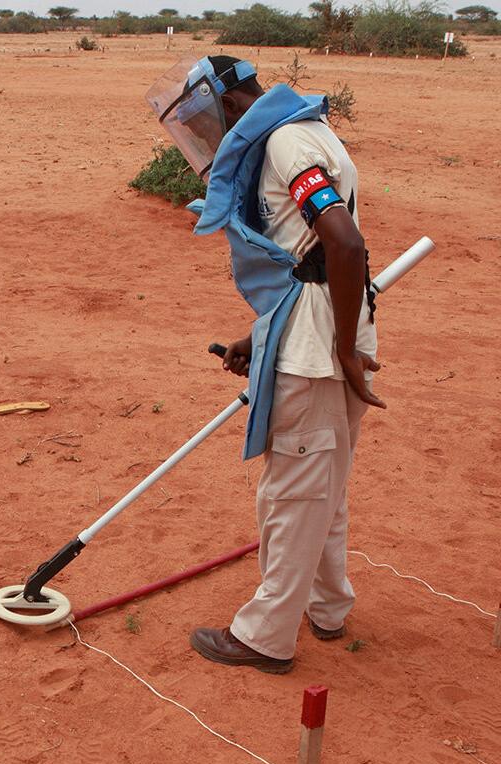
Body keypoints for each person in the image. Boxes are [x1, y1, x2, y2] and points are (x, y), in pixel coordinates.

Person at [146, 56, 381, 674]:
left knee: (294, 492)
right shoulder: (305, 127)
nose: (208, 139)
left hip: (319, 351)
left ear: (228, 103)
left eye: (204, 124)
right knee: (324, 485)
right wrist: (262, 337)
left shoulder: (283, 143)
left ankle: (265, 637)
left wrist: (340, 348)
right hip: (321, 329)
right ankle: (327, 607)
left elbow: (344, 242)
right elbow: (310, 260)